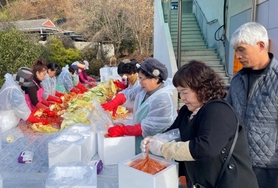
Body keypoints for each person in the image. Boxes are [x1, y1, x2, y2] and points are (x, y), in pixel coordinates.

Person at [141, 60, 259, 188]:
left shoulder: (218, 111)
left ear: (202, 89)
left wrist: (164, 149)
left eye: (185, 92)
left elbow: (205, 148)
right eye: (180, 92)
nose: (182, 97)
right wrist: (155, 139)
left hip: (231, 182)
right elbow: (174, 132)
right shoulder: (188, 111)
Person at [226, 22, 278, 188]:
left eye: (241, 49)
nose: (237, 56)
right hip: (238, 161)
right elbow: (228, 115)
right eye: (236, 50)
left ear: (261, 45)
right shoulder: (237, 80)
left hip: (269, 169)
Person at [101, 57, 177, 154]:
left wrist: (123, 130)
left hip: (157, 148)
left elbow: (148, 128)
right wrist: (115, 102)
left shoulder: (163, 100)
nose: (139, 82)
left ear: (155, 79)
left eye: (141, 79)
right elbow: (128, 94)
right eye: (139, 78)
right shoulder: (143, 90)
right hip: (142, 142)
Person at [0, 67, 49, 133]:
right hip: (5, 124)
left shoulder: (11, 84)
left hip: (5, 119)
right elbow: (25, 114)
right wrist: (39, 120)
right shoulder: (14, 91)